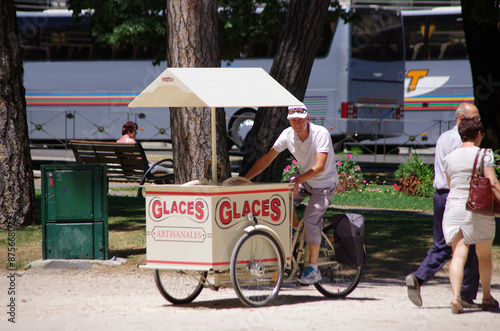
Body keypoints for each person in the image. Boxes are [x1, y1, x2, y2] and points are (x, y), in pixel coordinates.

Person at [243, 105, 339, 285]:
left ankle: (313, 269)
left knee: (311, 219)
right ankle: (295, 233)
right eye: (294, 120)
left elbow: (319, 167)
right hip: (306, 181)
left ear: (308, 118)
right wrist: (245, 179)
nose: (298, 123)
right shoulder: (287, 135)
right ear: (289, 120)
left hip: (325, 183)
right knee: (279, 202)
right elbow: (266, 159)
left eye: (301, 119)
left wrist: (297, 180)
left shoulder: (320, 133)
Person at [405, 103, 480, 308]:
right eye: (475, 118)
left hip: (439, 195)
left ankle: (418, 277)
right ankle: (465, 296)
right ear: (461, 119)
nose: (479, 122)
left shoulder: (444, 136)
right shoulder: (461, 140)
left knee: (443, 245)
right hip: (455, 195)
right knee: (468, 246)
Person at [443, 117, 499, 314]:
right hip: (477, 208)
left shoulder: (449, 157)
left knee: (458, 253)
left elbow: (450, 184)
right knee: (483, 254)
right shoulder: (485, 154)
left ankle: (456, 298)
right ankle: (485, 297)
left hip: (453, 207)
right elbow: (492, 182)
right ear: (477, 135)